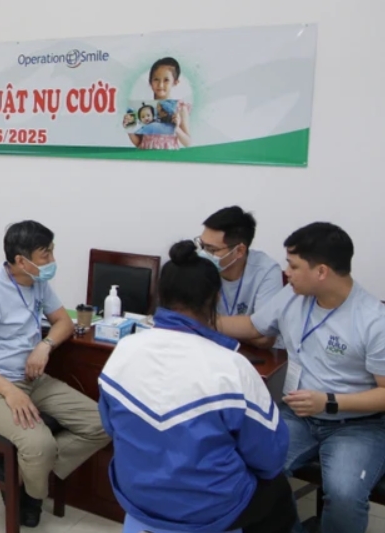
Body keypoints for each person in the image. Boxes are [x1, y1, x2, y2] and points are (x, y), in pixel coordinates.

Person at [99, 240, 297, 532]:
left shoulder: (124, 351)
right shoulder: (233, 367)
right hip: (209, 510)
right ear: (215, 299)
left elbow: (110, 426)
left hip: (136, 495)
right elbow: (270, 457)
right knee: (277, 490)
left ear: (160, 294)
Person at [218, 222, 385, 533]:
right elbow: (253, 326)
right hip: (298, 416)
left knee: (345, 495)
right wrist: (198, 320)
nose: (287, 272)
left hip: (358, 425)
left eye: (294, 266)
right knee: (250, 469)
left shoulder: (374, 320)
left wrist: (330, 402)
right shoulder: (292, 296)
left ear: (321, 271)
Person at [0, 221, 111, 528]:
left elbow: (63, 322)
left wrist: (45, 346)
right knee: (40, 445)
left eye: (52, 251)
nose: (52, 261)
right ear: (21, 260)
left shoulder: (36, 281)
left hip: (28, 377)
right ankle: (31, 490)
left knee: (103, 423)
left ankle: (21, 473)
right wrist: (10, 392)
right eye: (45, 254)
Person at [198, 205, 285, 349]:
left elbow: (265, 338)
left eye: (212, 249)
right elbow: (186, 320)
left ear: (239, 250)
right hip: (211, 349)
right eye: (202, 246)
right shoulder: (199, 265)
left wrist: (206, 323)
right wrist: (245, 329)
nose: (203, 254)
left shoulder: (266, 271)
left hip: (258, 356)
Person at [127, 57, 191, 150]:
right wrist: (129, 128)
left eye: (166, 80)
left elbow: (188, 142)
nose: (160, 85)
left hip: (169, 156)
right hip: (146, 155)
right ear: (150, 82)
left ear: (175, 82)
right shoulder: (145, 108)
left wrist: (176, 128)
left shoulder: (179, 108)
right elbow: (139, 143)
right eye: (156, 79)